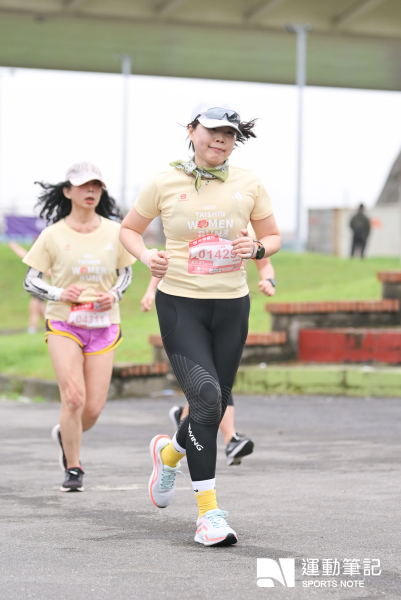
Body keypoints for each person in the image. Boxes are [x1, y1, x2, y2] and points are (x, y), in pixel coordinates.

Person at [120, 101, 281, 546]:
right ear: (192, 131)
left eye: (229, 134)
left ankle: (169, 453)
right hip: (181, 304)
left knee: (215, 403)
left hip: (232, 306)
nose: (221, 140)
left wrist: (259, 250)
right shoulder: (164, 181)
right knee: (207, 399)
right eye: (213, 131)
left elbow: (272, 236)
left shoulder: (249, 182)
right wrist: (146, 256)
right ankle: (208, 515)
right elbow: (129, 229)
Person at [22, 162, 135, 492]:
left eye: (96, 185)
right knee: (73, 398)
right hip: (64, 322)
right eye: (84, 185)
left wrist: (113, 295)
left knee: (93, 408)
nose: (91, 191)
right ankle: (74, 467)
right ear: (67, 191)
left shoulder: (116, 232)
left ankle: (65, 433)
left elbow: (126, 273)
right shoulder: (52, 235)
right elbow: (31, 280)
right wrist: (60, 293)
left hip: (104, 323)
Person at [140, 245, 276, 466]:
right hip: (191, 310)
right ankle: (230, 438)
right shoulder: (196, 226)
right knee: (211, 384)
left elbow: (265, 262)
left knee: (215, 383)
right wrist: (150, 290)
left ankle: (183, 421)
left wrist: (269, 281)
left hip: (231, 310)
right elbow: (167, 260)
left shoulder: (247, 231)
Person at [8, 240, 48, 334]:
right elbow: (23, 254)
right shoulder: (39, 258)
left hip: (39, 289)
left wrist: (13, 245)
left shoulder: (41, 259)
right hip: (39, 288)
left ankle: (32, 330)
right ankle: (52, 328)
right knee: (42, 311)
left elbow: (23, 255)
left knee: (33, 309)